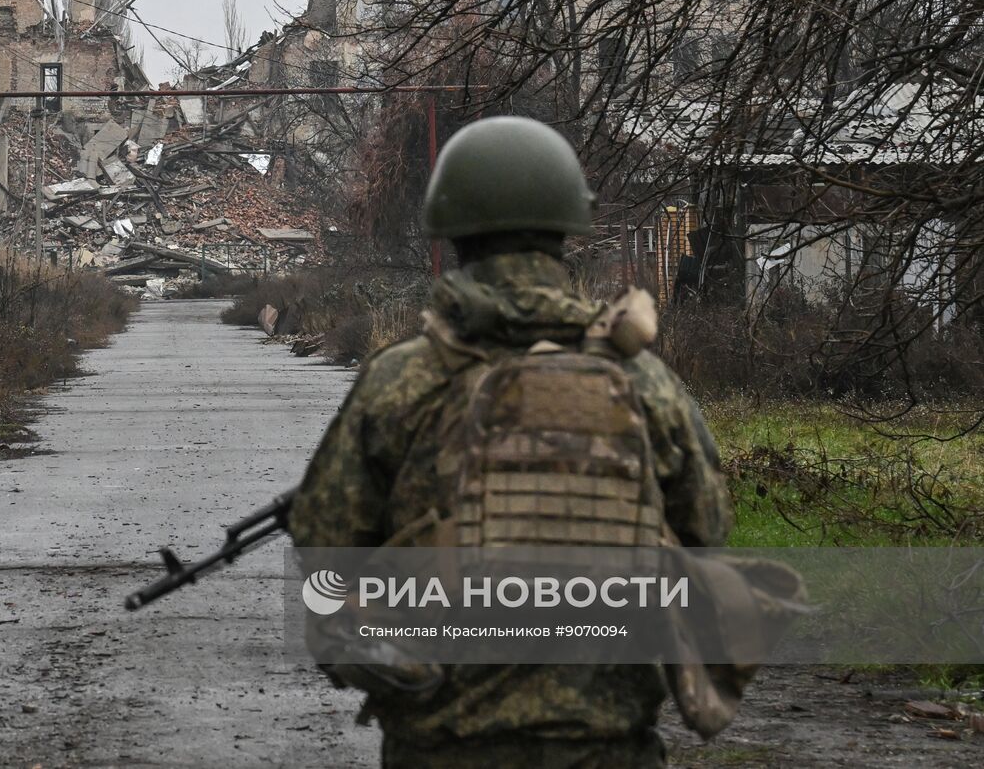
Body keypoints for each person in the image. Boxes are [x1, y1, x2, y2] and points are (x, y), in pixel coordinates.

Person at [288, 116, 733, 769]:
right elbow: (707, 534)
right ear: (567, 235)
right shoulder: (644, 382)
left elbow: (324, 545)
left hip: (441, 743)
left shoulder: (403, 379)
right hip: (604, 742)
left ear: (455, 233)